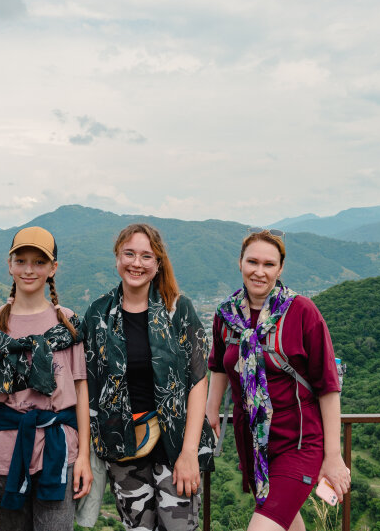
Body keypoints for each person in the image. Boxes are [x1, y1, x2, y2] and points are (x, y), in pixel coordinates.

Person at [205, 229, 349, 531]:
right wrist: (211, 411)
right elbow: (219, 366)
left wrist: (334, 457)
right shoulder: (226, 314)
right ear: (240, 263)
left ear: (280, 269)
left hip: (298, 442)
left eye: (269, 264)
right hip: (253, 444)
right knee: (285, 521)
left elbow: (327, 386)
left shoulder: (302, 312)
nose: (259, 271)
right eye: (252, 262)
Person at [83, 223, 215, 531]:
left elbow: (198, 380)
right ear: (117, 257)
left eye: (146, 256)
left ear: (157, 264)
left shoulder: (177, 309)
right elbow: (86, 382)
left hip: (175, 445)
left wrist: (189, 453)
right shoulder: (98, 313)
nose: (136, 263)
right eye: (129, 254)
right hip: (123, 447)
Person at [0, 226, 92, 531]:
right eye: (20, 261)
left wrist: (84, 458)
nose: (29, 269)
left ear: (53, 268)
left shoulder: (68, 323)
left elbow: (81, 390)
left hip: (59, 452)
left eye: (39, 262)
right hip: (4, 453)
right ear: (9, 265)